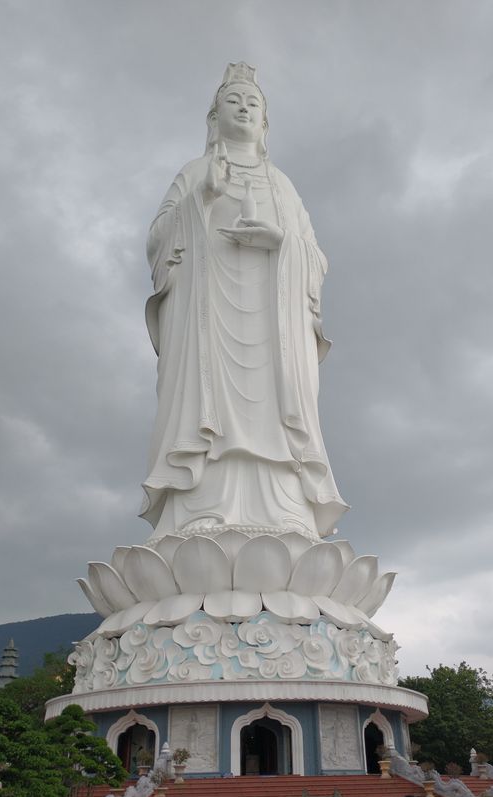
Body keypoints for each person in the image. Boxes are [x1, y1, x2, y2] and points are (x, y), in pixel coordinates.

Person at [141, 62, 348, 544]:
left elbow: (315, 256)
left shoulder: (282, 185)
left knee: (275, 411)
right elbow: (156, 243)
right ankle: (201, 507)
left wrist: (281, 241)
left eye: (252, 103)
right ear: (214, 116)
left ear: (265, 122)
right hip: (208, 317)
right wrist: (201, 201)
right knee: (207, 407)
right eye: (233, 101)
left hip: (272, 328)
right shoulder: (194, 173)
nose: (243, 108)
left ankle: (285, 512)